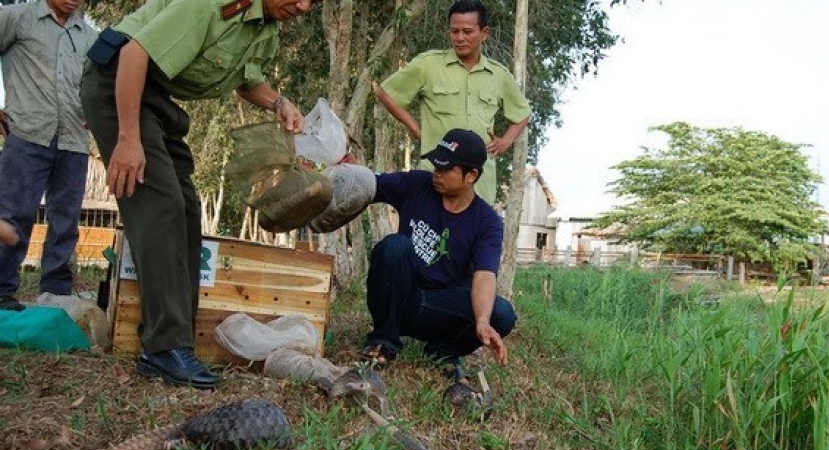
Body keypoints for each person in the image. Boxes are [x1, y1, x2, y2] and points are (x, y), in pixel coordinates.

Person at [80, 0, 319, 389]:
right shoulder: (211, 5)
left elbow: (248, 80)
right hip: (118, 82)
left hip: (155, 98)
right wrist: (127, 139)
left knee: (188, 213)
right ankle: (162, 349)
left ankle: (179, 343)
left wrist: (279, 102)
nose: (303, 6)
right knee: (160, 206)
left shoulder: (265, 26)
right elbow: (134, 52)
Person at [360, 128, 516, 371]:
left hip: (438, 307)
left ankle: (443, 352)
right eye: (436, 166)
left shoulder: (487, 222)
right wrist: (343, 172)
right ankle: (384, 342)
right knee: (394, 246)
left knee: (503, 314)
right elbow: (368, 184)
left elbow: (485, 275)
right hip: (397, 296)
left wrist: (483, 321)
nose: (437, 174)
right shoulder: (416, 185)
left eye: (446, 169)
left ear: (471, 175)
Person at [373, 0, 530, 205]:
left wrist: (505, 141)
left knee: (472, 235)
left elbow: (522, 113)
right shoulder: (428, 65)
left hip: (478, 181)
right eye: (454, 31)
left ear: (484, 33)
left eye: (467, 31)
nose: (460, 38)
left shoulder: (499, 75)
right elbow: (386, 93)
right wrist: (419, 131)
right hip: (435, 177)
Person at [0, 0, 97, 312]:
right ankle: (2, 292)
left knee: (66, 222)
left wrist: (97, 111)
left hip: (75, 141)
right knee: (14, 214)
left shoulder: (88, 35)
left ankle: (56, 295)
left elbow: (99, 83)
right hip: (27, 134)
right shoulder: (16, 18)